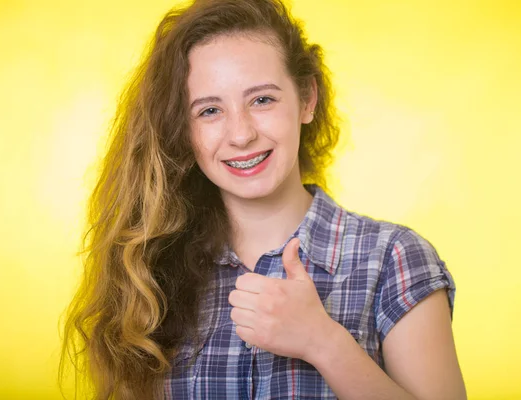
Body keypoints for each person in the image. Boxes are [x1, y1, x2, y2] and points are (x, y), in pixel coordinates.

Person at [60, 0, 467, 399]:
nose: (241, 135)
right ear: (182, 128)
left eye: (262, 100)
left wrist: (324, 343)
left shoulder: (395, 259)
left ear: (307, 99)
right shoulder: (147, 275)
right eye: (209, 111)